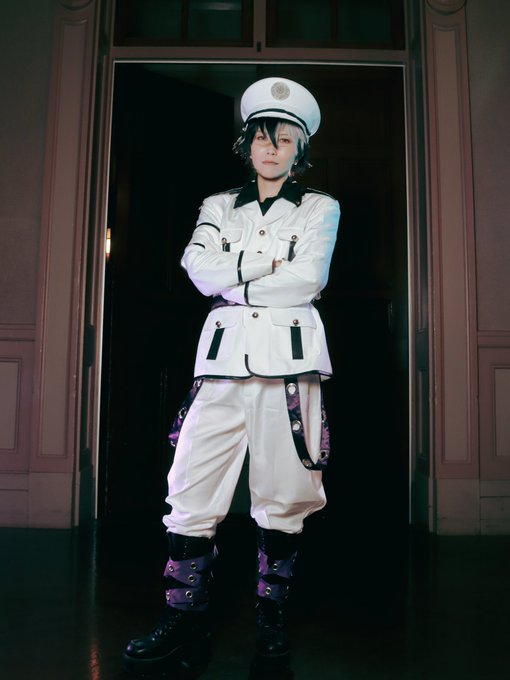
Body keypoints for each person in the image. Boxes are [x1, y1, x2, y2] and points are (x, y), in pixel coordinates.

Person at [123, 76, 341, 677]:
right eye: (263, 137)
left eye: (285, 139)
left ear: (300, 149)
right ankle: (184, 620)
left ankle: (272, 622)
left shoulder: (320, 206)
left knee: (284, 496)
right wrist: (266, 262)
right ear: (248, 144)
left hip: (290, 366)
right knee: (190, 489)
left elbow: (308, 279)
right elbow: (197, 269)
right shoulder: (218, 205)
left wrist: (234, 277)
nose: (272, 148)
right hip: (220, 365)